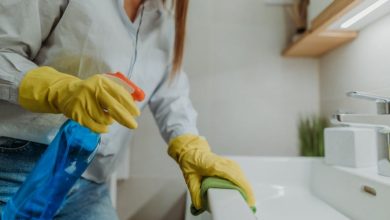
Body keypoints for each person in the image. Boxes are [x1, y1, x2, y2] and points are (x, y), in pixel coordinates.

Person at [0, 0, 255, 219]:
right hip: (20, 163)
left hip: (89, 182)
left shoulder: (162, 20)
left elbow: (171, 95)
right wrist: (60, 90)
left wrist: (190, 147)